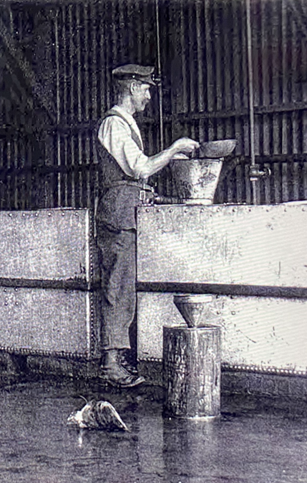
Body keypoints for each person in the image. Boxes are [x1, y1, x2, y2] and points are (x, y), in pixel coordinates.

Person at [95, 64, 199, 387]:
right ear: (131, 88)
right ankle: (111, 363)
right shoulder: (114, 125)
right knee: (118, 287)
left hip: (128, 212)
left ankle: (119, 359)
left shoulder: (126, 125)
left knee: (124, 288)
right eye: (146, 89)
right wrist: (174, 149)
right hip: (119, 214)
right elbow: (141, 168)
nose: (149, 96)